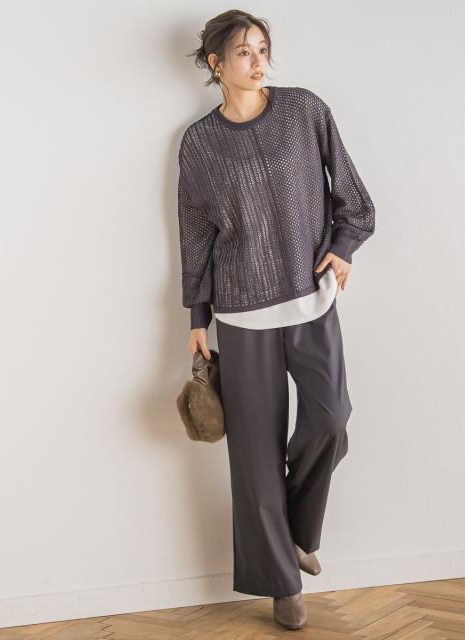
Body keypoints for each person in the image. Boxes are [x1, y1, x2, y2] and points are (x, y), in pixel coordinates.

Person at [177, 9, 375, 630]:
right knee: (255, 456)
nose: (258, 61)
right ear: (216, 64)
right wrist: (198, 315)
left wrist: (343, 246)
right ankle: (284, 586)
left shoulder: (303, 111)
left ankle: (296, 532)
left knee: (331, 419)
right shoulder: (199, 144)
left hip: (311, 300)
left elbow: (351, 194)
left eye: (263, 48)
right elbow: (196, 235)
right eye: (243, 52)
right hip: (240, 312)